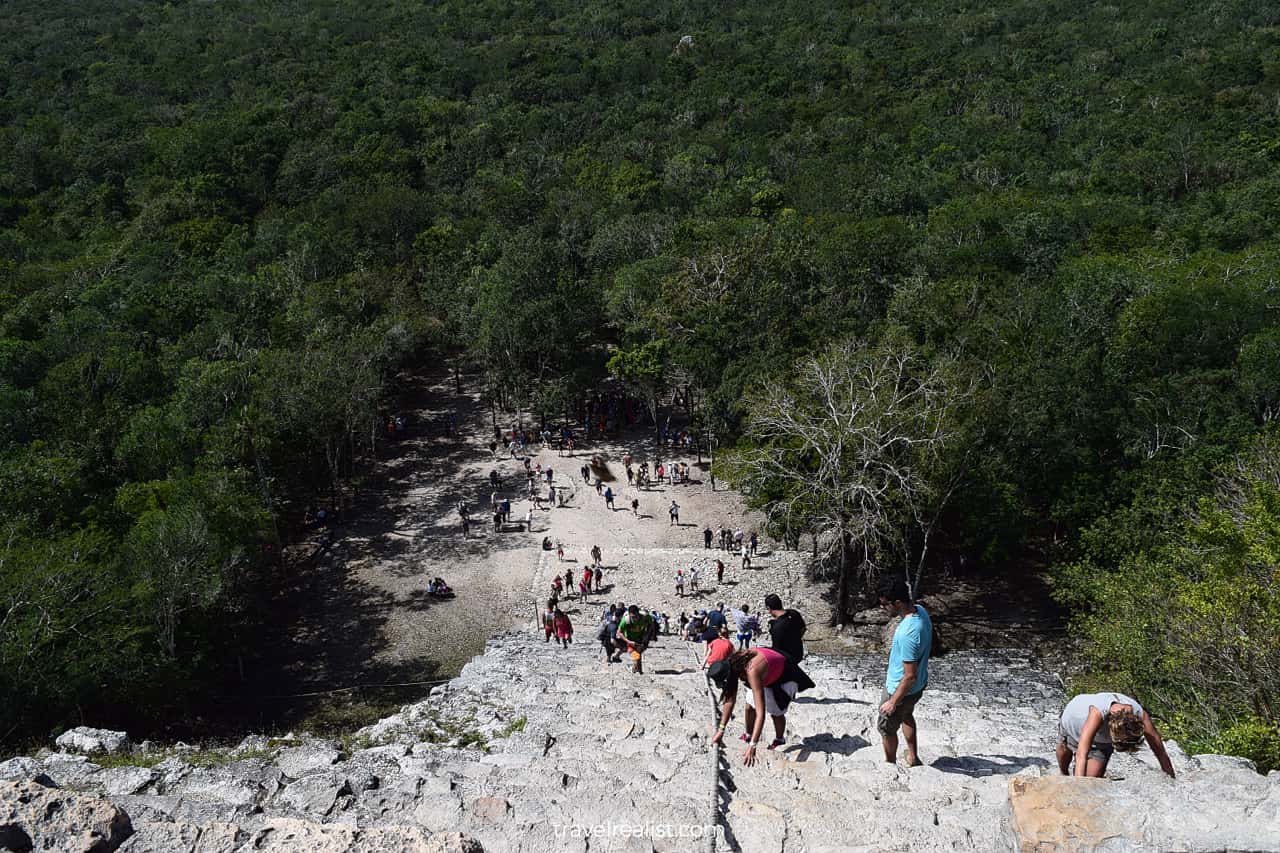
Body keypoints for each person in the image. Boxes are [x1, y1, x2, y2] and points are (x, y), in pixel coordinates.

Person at [708, 647, 815, 764]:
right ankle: (748, 734)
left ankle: (779, 740)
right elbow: (729, 700)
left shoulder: (752, 671)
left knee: (776, 713)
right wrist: (721, 730)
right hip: (766, 673)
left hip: (785, 675)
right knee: (749, 706)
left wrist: (753, 746)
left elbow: (761, 714)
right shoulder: (734, 665)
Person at [877, 578, 933, 767]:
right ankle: (913, 757)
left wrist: (892, 701)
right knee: (907, 715)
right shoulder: (921, 611)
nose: (882, 607)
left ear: (898, 603)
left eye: (885, 604)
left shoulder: (908, 633)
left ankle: (890, 766)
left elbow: (909, 675)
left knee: (886, 729)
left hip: (900, 689)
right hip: (917, 687)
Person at [1057, 692, 1176, 778]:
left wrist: (1171, 779)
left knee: (1092, 780)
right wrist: (1077, 788)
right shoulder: (1097, 712)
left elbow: (1160, 751)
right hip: (1072, 725)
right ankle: (1063, 773)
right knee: (1064, 751)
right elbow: (1081, 754)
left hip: (1101, 742)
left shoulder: (1140, 715)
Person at [764, 594, 806, 662]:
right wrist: (796, 638)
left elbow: (777, 651)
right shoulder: (794, 613)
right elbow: (803, 629)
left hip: (787, 660)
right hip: (799, 653)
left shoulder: (776, 627)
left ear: (769, 608)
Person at [616, 605, 652, 674]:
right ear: (629, 614)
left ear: (638, 613)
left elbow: (651, 625)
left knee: (638, 653)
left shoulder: (645, 617)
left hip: (641, 639)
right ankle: (637, 670)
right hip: (629, 640)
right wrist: (628, 641)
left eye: (636, 616)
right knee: (636, 654)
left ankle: (638, 670)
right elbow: (619, 632)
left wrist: (647, 635)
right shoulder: (625, 620)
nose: (635, 619)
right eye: (632, 617)